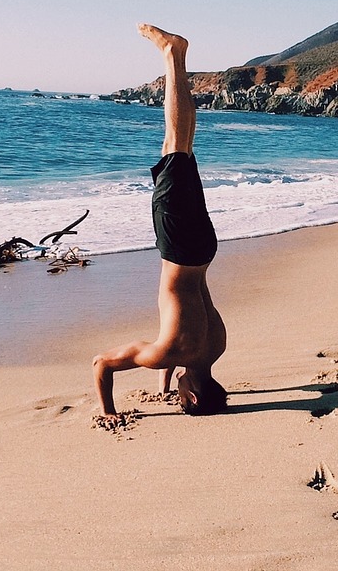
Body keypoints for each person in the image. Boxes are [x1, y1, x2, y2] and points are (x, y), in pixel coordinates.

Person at [92, 23, 228, 417]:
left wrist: (166, 381)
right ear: (195, 397)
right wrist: (108, 412)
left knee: (183, 147)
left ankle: (178, 56)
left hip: (203, 250)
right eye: (185, 399)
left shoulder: (214, 347)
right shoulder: (171, 350)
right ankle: (172, 55)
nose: (178, 395)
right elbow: (102, 363)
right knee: (173, 144)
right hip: (181, 246)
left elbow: (179, 343)